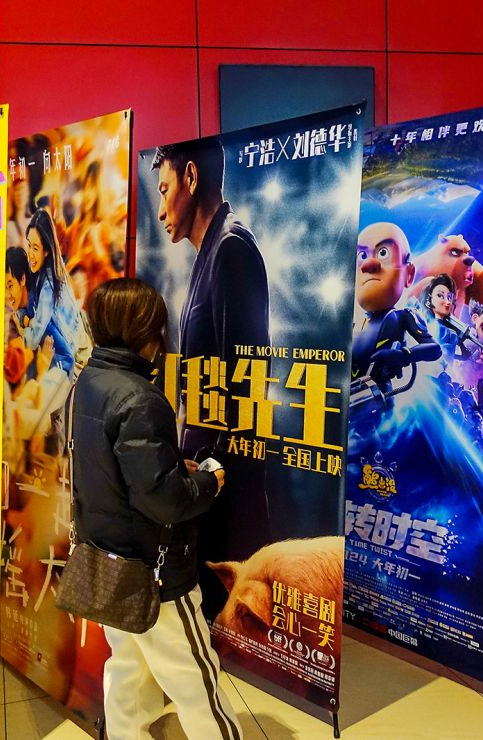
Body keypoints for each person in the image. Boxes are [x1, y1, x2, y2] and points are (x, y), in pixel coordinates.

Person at [71, 278, 241, 740]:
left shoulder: (89, 382)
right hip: (156, 574)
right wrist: (208, 481)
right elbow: (164, 500)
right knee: (196, 680)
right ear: (145, 331)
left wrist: (170, 464)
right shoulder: (141, 399)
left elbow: (114, 470)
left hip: (111, 565)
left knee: (127, 669)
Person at [153, 138, 271, 561]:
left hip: (226, 501)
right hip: (207, 490)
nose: (161, 210)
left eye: (165, 191)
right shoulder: (214, 250)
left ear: (190, 177)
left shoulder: (231, 248)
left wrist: (213, 471)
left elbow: (248, 382)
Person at [353, 223, 442, 387]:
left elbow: (434, 349)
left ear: (409, 274)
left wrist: (403, 355)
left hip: (377, 395)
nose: (368, 265)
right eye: (363, 256)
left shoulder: (402, 316)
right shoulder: (354, 323)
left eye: (383, 253)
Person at [21, 209, 90, 376]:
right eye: (29, 245)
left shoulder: (49, 285)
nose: (30, 254)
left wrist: (25, 322)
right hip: (73, 353)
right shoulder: (46, 273)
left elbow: (33, 339)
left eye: (35, 248)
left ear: (47, 251)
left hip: (79, 362)